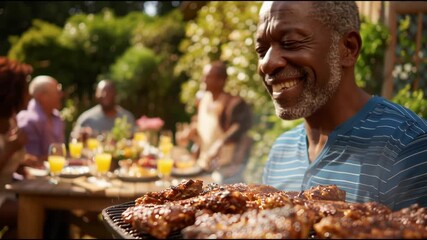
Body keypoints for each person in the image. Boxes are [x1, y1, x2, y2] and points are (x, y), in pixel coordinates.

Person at [256, 1, 427, 211]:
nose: (267, 63)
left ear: (348, 49)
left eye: (291, 43)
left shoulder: (407, 146)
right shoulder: (281, 151)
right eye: (261, 50)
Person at [177, 61, 253, 184]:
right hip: (203, 166)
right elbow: (203, 123)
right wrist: (190, 132)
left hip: (226, 172)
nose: (203, 80)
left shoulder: (234, 104)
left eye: (207, 77)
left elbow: (239, 128)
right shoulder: (203, 99)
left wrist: (219, 143)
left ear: (221, 81)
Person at [16, 75, 69, 238]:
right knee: (59, 207)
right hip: (32, 186)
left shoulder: (57, 117)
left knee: (64, 206)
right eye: (57, 90)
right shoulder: (28, 121)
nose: (61, 94)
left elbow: (60, 154)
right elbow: (31, 161)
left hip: (54, 180)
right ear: (42, 96)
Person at [0, 57, 32, 238]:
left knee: (51, 212)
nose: (30, 94)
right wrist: (9, 150)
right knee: (30, 213)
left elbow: (14, 165)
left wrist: (25, 164)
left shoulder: (11, 121)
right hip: (3, 197)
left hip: (9, 194)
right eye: (26, 89)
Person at [71, 79, 136, 141]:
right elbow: (73, 140)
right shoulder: (86, 119)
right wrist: (79, 137)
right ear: (96, 95)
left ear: (116, 94)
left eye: (109, 92)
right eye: (101, 92)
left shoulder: (127, 118)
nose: (105, 95)